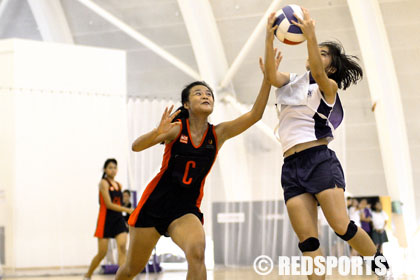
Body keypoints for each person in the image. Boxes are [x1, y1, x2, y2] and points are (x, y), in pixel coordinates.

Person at [115, 16, 279, 278]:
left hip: (185, 209)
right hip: (155, 205)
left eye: (209, 93)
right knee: (131, 269)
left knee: (197, 253)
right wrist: (156, 134)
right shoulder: (176, 128)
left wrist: (268, 79)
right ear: (187, 105)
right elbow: (136, 147)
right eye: (198, 93)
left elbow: (256, 114)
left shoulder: (219, 133)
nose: (206, 95)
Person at [264, 8, 390, 279]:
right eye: (315, 50)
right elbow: (272, 77)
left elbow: (320, 75)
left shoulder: (327, 84)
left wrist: (311, 36)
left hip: (319, 159)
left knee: (341, 227)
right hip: (291, 166)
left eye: (322, 53)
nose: (315, 55)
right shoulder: (294, 81)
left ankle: (381, 267)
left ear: (331, 66)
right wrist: (268, 36)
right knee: (307, 242)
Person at [84, 159, 134, 280]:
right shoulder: (103, 183)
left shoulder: (119, 185)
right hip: (105, 219)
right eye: (110, 167)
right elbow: (109, 204)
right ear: (105, 169)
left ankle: (121, 277)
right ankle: (88, 274)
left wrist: (128, 209)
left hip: (118, 219)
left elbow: (120, 203)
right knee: (102, 253)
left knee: (122, 248)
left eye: (115, 167)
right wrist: (127, 210)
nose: (113, 170)